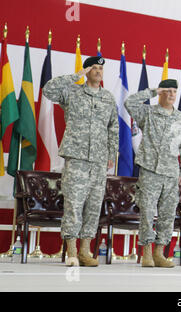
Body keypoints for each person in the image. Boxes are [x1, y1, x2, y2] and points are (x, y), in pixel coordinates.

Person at [43, 56, 118, 267]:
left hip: (99, 159)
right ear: (87, 70)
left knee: (93, 206)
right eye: (93, 68)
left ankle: (85, 251)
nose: (98, 71)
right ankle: (72, 251)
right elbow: (48, 90)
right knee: (74, 203)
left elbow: (113, 127)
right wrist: (77, 76)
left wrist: (111, 154)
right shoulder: (72, 92)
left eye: (100, 68)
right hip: (76, 157)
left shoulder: (108, 98)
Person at [125, 79, 181, 268]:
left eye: (174, 92)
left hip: (171, 173)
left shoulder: (180, 118)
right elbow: (129, 103)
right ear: (161, 92)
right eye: (167, 91)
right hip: (150, 170)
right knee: (147, 212)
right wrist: (152, 92)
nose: (171, 95)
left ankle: (159, 253)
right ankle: (146, 252)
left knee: (167, 214)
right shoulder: (148, 113)